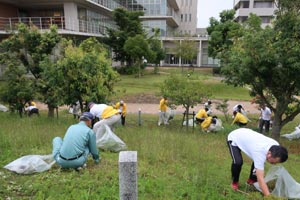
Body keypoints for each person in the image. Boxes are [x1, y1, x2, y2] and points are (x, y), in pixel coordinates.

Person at [227, 128, 288, 196]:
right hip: (235, 137)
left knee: (258, 162)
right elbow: (260, 178)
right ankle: (234, 182)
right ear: (269, 154)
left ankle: (252, 180)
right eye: (274, 161)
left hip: (248, 136)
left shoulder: (276, 145)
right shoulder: (259, 153)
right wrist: (269, 197)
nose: (274, 164)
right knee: (238, 162)